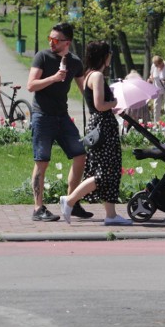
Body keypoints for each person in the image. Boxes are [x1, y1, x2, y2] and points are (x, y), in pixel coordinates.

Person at [60, 41, 132, 226]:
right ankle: (69, 200)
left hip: (99, 125)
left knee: (109, 170)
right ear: (103, 56)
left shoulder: (89, 74)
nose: (111, 57)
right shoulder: (98, 76)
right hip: (103, 126)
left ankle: (111, 215)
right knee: (104, 172)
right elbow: (100, 105)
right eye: (109, 53)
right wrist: (114, 103)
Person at [26, 22, 90, 222]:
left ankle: (71, 201)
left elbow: (84, 88)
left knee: (80, 155)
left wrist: (100, 104)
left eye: (56, 39)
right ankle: (38, 209)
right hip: (42, 116)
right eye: (50, 39)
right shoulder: (42, 57)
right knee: (42, 161)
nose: (51, 42)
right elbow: (31, 85)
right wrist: (53, 78)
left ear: (67, 42)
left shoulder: (75, 62)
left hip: (62, 116)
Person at [148, 55, 165, 126]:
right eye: (155, 65)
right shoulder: (154, 66)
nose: (156, 66)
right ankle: (156, 124)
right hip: (157, 89)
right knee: (156, 106)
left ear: (161, 63)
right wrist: (150, 80)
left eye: (157, 65)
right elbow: (151, 76)